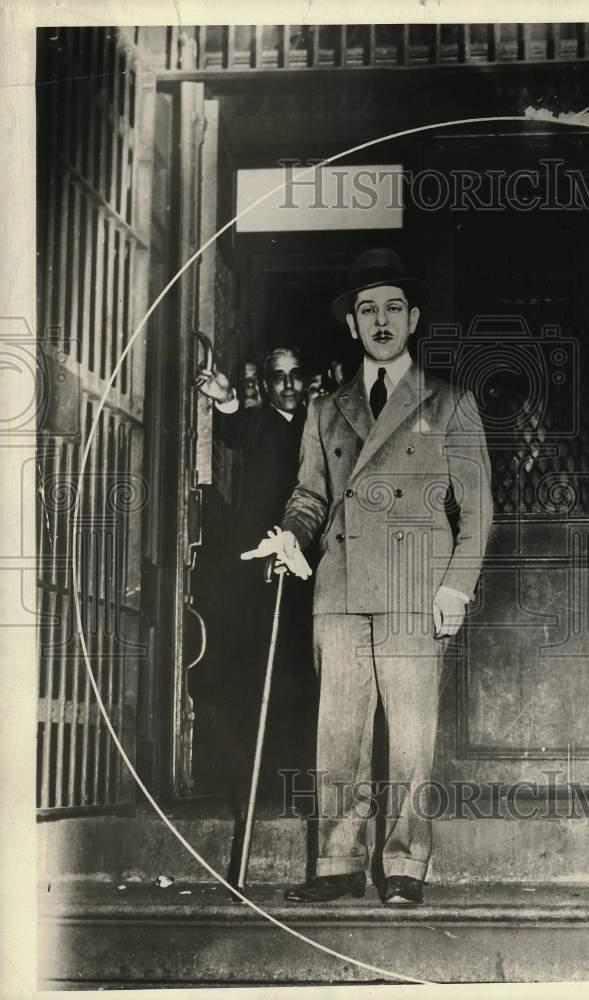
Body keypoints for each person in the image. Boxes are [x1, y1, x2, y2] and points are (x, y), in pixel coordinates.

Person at [242, 249, 493, 905]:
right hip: (341, 585)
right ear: (352, 326)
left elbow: (477, 509)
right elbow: (309, 496)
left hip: (416, 587)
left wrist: (455, 586)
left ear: (411, 318)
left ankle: (405, 866)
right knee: (339, 735)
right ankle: (337, 865)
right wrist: (290, 536)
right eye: (366, 309)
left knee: (410, 736)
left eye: (391, 307)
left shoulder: (449, 403)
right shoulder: (325, 409)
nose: (380, 320)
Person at [194, 346, 316, 807]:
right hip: (258, 570)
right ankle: (256, 785)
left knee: (299, 674)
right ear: (265, 387)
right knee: (254, 671)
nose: (288, 385)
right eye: (278, 377)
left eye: (296, 375)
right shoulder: (261, 422)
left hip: (304, 570)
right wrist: (225, 398)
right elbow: (233, 427)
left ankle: (297, 783)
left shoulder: (318, 426)